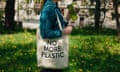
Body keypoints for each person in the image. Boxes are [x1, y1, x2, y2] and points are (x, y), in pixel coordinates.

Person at [39, 0, 73, 72]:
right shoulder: (48, 9)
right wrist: (63, 32)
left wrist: (66, 19)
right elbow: (45, 33)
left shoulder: (54, 8)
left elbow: (57, 25)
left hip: (55, 55)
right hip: (51, 56)